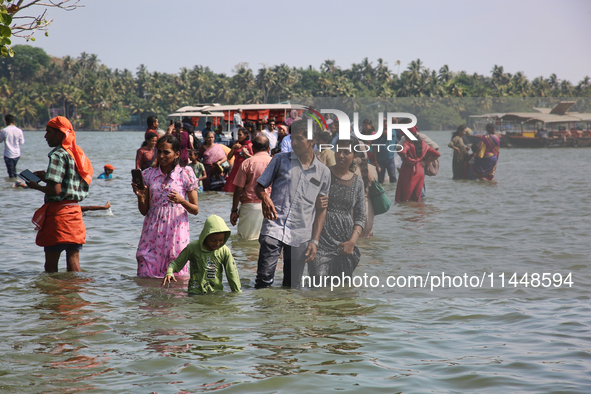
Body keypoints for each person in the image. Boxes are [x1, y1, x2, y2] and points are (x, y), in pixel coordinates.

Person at [254, 120, 330, 288]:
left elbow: (321, 209)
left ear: (312, 140)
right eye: (292, 138)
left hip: (300, 234)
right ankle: (263, 313)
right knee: (263, 281)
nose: (293, 143)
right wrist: (265, 198)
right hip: (274, 227)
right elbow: (259, 186)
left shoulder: (323, 172)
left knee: (292, 285)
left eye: (299, 139)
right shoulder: (280, 160)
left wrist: (315, 241)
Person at [26, 116, 93, 273]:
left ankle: (53, 294)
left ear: (59, 134)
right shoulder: (76, 154)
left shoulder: (57, 154)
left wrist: (36, 186)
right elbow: (68, 181)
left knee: (51, 265)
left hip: (58, 216)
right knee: (74, 263)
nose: (45, 136)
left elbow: (56, 190)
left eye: (49, 132)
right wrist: (46, 176)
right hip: (75, 214)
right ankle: (75, 295)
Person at [132, 134, 199, 278]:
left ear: (176, 154)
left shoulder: (185, 173)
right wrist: (140, 196)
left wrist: (182, 200)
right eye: (159, 151)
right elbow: (145, 211)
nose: (161, 156)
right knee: (146, 270)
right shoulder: (149, 174)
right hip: (152, 234)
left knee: (176, 273)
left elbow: (195, 209)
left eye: (166, 152)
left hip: (176, 233)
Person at [308, 137, 366, 282]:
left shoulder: (358, 182)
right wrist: (315, 201)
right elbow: (304, 198)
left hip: (344, 244)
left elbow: (360, 216)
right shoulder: (323, 173)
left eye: (346, 152)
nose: (341, 155)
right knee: (318, 286)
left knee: (341, 290)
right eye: (338, 151)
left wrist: (352, 242)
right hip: (320, 240)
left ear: (355, 156)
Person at [161, 214, 241, 295]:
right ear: (205, 236)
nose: (217, 244)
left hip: (216, 293)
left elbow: (232, 274)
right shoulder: (193, 248)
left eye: (221, 240)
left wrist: (237, 294)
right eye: (213, 240)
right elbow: (176, 263)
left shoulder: (224, 251)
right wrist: (169, 272)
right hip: (195, 292)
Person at [230, 135, 272, 240]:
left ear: (253, 149)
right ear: (269, 149)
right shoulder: (275, 162)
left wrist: (234, 210)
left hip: (249, 208)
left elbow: (238, 189)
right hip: (271, 207)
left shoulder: (247, 163)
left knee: (246, 242)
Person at [395, 126, 441, 202]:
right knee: (418, 194)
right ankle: (419, 210)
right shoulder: (423, 144)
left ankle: (406, 211)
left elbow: (402, 152)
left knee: (406, 196)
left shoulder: (407, 143)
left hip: (408, 169)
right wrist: (424, 162)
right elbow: (437, 154)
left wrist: (407, 159)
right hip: (419, 169)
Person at [222, 127, 253, 193]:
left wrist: (245, 153)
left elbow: (253, 158)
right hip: (235, 169)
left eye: (240, 135)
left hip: (245, 169)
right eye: (238, 134)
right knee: (229, 190)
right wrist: (233, 148)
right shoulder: (236, 144)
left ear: (245, 136)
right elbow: (229, 157)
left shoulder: (249, 145)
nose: (238, 136)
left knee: (243, 190)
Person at [0, 114, 25, 178]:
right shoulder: (19, 130)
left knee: (10, 171)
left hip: (8, 154)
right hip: (17, 153)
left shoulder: (4, 130)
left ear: (6, 121)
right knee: (14, 169)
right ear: (14, 122)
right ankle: (15, 182)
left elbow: (0, 140)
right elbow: (22, 142)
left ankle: (13, 184)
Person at [375, 117, 398, 184]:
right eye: (384, 125)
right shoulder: (377, 135)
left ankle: (392, 192)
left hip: (390, 159)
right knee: (380, 180)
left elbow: (387, 133)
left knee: (393, 178)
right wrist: (376, 162)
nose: (386, 126)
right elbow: (375, 148)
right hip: (380, 160)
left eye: (387, 125)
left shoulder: (393, 131)